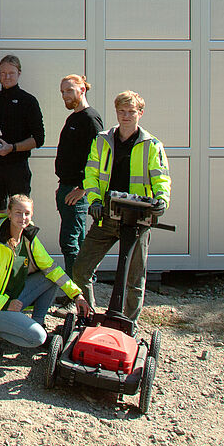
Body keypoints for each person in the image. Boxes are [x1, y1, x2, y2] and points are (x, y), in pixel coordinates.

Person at [70, 90, 171, 319]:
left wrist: (162, 201)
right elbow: (91, 174)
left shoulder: (152, 145)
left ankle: (127, 325)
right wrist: (94, 201)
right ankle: (88, 317)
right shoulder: (103, 140)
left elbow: (161, 178)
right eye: (121, 111)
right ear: (116, 112)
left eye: (131, 112)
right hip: (107, 216)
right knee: (80, 270)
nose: (126, 116)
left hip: (137, 219)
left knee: (134, 279)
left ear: (140, 113)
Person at [0, 193, 91, 354]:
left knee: (49, 277)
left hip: (13, 300)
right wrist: (5, 304)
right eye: (18, 213)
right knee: (38, 338)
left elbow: (52, 269)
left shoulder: (29, 239)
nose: (23, 217)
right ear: (9, 213)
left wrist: (77, 295)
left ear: (32, 214)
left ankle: (37, 322)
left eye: (27, 213)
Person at [54, 73, 104, 276]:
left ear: (82, 89)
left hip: (77, 193)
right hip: (66, 188)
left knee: (70, 243)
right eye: (62, 91)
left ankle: (76, 296)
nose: (65, 95)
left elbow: (100, 157)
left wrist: (83, 189)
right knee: (78, 243)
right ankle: (82, 294)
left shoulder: (91, 119)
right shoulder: (73, 118)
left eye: (69, 90)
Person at [0, 54, 44, 214]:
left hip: (17, 166)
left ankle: (20, 240)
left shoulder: (28, 101)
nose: (6, 77)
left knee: (20, 213)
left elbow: (39, 139)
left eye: (11, 73)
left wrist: (12, 147)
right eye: (3, 73)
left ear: (19, 73)